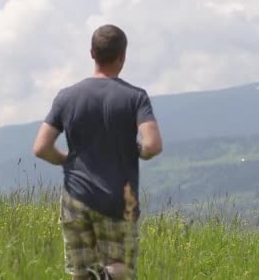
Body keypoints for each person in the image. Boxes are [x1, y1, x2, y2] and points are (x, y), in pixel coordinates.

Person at [33, 24, 163, 280]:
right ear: (122, 56)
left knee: (80, 271)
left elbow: (40, 148)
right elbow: (152, 145)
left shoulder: (66, 97)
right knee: (120, 266)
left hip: (75, 197)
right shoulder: (135, 97)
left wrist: (66, 160)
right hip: (118, 199)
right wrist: (137, 151)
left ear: (92, 53)